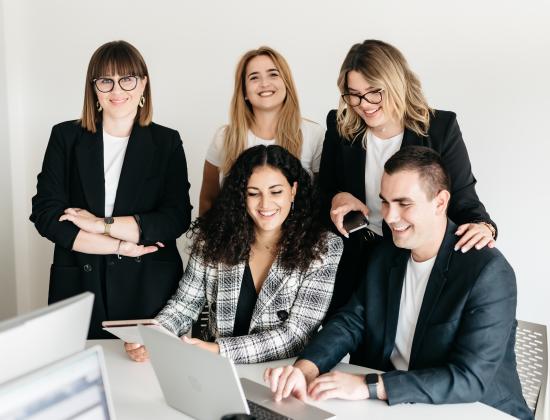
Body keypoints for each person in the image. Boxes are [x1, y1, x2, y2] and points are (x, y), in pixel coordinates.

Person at [265, 146, 532, 420]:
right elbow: (351, 321)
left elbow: (469, 378)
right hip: (403, 409)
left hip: (478, 412)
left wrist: (368, 386)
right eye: (385, 202)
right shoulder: (386, 253)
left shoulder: (487, 271)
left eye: (404, 204)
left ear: (440, 202)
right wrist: (304, 369)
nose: (390, 217)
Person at [319, 39, 497, 319]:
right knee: (345, 334)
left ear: (395, 84)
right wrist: (337, 197)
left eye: (373, 93)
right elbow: (324, 191)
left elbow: (462, 198)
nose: (363, 105)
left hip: (413, 259)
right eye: (353, 95)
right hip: (354, 259)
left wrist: (484, 226)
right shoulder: (340, 125)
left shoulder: (439, 128)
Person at [30, 40, 192, 339]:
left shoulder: (166, 142)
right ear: (94, 88)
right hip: (80, 280)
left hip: (148, 285)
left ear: (143, 84)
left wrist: (99, 224)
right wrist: (118, 245)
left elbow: (174, 219)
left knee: (146, 367)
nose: (117, 90)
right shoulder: (65, 136)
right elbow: (46, 215)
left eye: (127, 79)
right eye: (106, 81)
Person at [125, 145, 343, 364]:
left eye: (276, 192)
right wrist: (153, 335)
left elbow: (297, 334)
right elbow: (184, 304)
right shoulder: (213, 238)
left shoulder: (323, 247)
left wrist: (219, 350)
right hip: (217, 370)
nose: (265, 204)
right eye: (253, 193)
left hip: (283, 373)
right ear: (241, 195)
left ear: (293, 190)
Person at [199, 46, 324, 215]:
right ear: (244, 91)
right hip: (233, 232)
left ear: (286, 83)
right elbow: (208, 200)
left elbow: (321, 201)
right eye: (254, 77)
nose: (264, 83)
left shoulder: (314, 134)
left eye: (273, 74)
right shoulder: (224, 137)